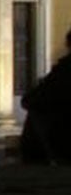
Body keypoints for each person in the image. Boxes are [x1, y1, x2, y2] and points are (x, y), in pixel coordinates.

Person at [20, 28, 71, 164]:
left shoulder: (65, 70)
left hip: (62, 131)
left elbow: (31, 100)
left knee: (36, 112)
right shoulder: (64, 70)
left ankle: (35, 159)